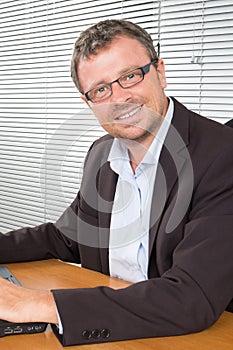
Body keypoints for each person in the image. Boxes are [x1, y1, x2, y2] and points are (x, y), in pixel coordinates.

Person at [0, 19, 233, 347]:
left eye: (129, 76)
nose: (119, 98)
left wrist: (34, 303)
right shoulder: (101, 154)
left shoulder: (223, 156)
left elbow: (191, 297)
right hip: (110, 328)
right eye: (101, 89)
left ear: (160, 72)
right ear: (89, 102)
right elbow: (66, 236)